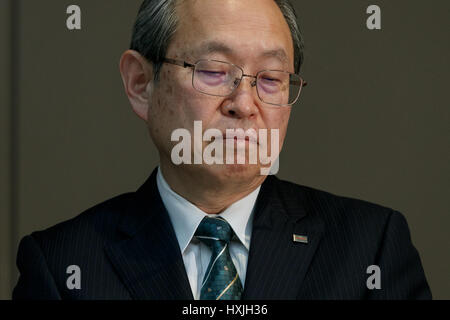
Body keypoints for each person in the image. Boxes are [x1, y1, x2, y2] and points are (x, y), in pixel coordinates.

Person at [13, 0, 431, 300]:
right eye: (214, 71)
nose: (245, 104)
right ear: (141, 83)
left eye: (270, 78)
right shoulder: (63, 265)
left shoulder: (369, 248)